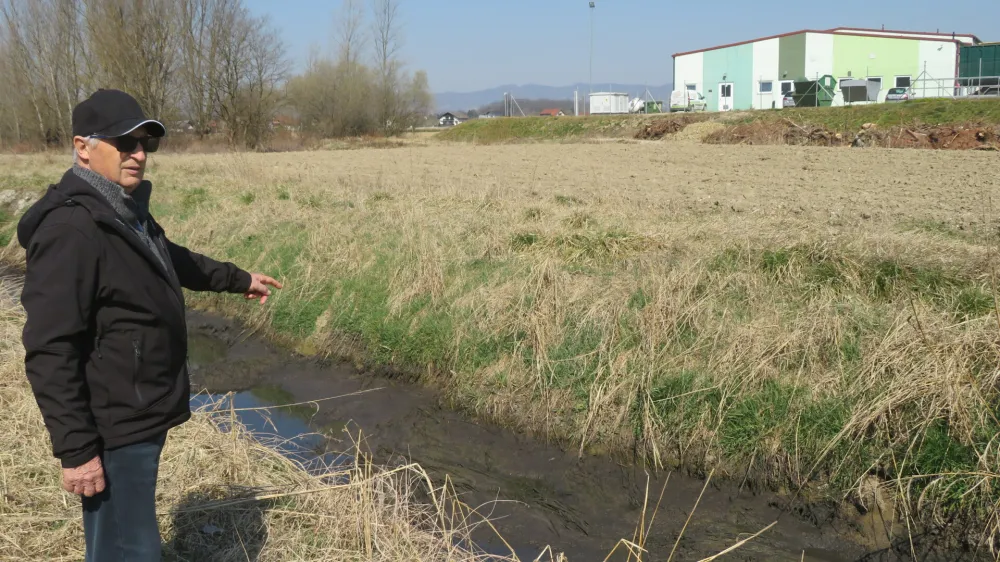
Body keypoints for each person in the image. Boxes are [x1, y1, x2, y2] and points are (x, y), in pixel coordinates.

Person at [16, 89, 283, 561]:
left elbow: (167, 257)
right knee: (130, 546)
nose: (138, 154)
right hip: (115, 416)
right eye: (125, 143)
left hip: (136, 405)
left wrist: (238, 278)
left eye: (146, 144)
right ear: (83, 146)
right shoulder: (71, 231)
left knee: (118, 537)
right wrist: (76, 449)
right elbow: (49, 348)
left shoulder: (121, 208)